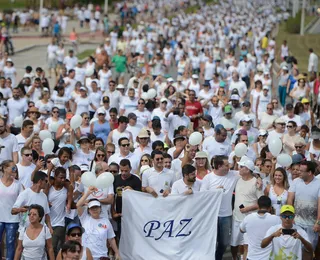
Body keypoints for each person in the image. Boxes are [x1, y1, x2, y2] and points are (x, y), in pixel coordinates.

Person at [200, 155, 240, 260]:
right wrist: (215, 191)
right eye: (226, 165)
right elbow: (202, 195)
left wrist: (258, 178)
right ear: (219, 166)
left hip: (226, 215)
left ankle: (218, 256)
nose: (229, 167)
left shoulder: (233, 175)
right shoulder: (208, 178)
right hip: (212, 215)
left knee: (224, 242)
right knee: (212, 241)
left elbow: (247, 172)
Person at [230, 158, 263, 260]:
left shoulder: (256, 183)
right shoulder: (238, 179)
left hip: (250, 220)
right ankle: (235, 258)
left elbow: (261, 203)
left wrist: (248, 208)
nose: (238, 168)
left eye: (241, 166)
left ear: (248, 170)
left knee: (246, 244)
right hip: (236, 218)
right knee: (234, 243)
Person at [287, 161, 320, 257]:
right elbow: (290, 200)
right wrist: (291, 217)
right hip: (296, 223)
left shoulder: (319, 184)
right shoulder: (296, 181)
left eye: (301, 171)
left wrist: (318, 222)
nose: (298, 172)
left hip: (311, 225)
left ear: (309, 172)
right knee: (294, 250)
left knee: (308, 250)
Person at [76, 189, 120, 260]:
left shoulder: (106, 221)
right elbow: (78, 205)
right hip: (86, 256)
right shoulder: (84, 218)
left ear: (100, 208)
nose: (94, 209)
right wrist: (87, 193)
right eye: (92, 208)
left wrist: (117, 252)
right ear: (89, 210)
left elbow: (111, 239)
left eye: (96, 207)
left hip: (101, 256)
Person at [240, 196, 281, 260]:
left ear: (258, 206)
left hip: (252, 257)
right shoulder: (276, 219)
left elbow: (241, 230)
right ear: (270, 207)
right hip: (269, 257)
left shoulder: (248, 218)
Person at [0, 160, 23, 260]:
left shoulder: (18, 184)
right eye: (12, 167)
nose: (15, 169)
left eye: (15, 168)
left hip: (13, 219)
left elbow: (23, 199)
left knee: (10, 242)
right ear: (5, 169)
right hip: (0, 218)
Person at [113, 159, 141, 238]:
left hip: (132, 214)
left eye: (126, 171)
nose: (123, 173)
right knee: (120, 236)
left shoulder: (136, 180)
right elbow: (112, 196)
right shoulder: (115, 179)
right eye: (121, 171)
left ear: (130, 169)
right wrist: (113, 212)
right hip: (119, 213)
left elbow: (140, 197)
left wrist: (132, 191)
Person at [48, 167, 68, 256]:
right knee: (49, 248)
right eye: (60, 177)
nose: (63, 180)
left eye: (64, 177)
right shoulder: (49, 187)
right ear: (55, 177)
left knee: (53, 245)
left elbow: (71, 201)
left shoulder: (66, 189)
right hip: (47, 222)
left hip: (60, 223)